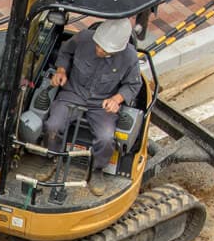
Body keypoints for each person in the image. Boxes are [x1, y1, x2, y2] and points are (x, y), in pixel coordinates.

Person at [42, 17, 143, 195]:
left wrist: (117, 99)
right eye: (97, 45)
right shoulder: (83, 38)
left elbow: (133, 85)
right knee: (53, 125)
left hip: (102, 103)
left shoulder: (130, 58)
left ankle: (97, 170)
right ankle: (52, 157)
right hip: (74, 92)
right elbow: (65, 52)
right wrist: (61, 70)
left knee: (106, 138)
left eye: (103, 50)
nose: (98, 50)